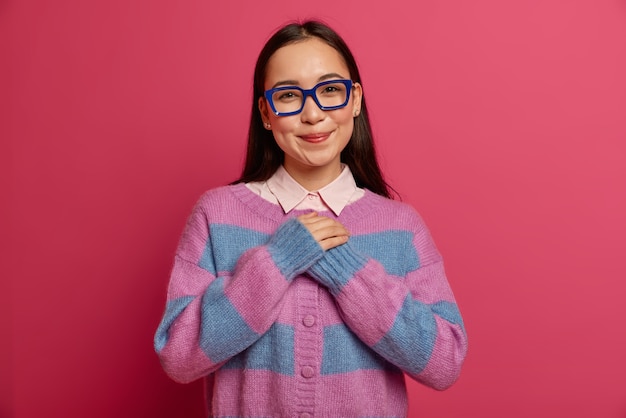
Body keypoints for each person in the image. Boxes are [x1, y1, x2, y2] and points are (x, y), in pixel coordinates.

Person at [154, 20, 467, 417]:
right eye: (288, 96)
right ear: (266, 113)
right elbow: (178, 358)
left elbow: (445, 362)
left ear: (355, 101)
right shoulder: (217, 215)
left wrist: (348, 270)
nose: (313, 114)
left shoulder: (401, 227)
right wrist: (276, 263)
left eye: (330, 90)